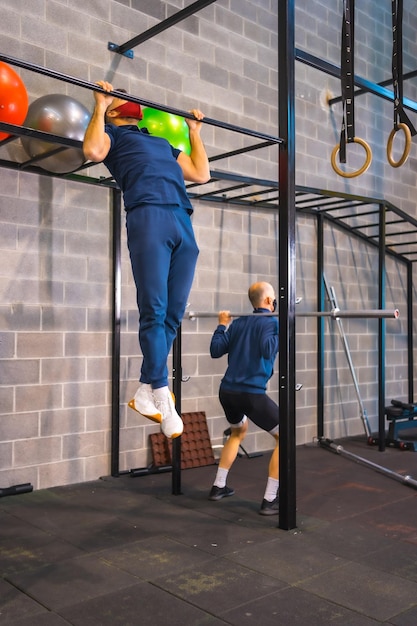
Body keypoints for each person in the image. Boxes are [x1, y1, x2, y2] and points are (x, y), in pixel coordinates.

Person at [83, 81, 210, 439]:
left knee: (173, 313)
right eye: (119, 97)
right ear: (111, 109)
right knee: (154, 309)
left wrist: (194, 132)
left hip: (182, 219)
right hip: (148, 217)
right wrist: (99, 104)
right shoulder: (112, 136)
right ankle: (161, 394)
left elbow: (201, 173)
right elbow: (92, 150)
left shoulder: (160, 142)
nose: (129, 99)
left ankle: (144, 390)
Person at [208, 281, 280, 515]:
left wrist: (222, 325)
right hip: (251, 394)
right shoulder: (271, 322)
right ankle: (270, 500)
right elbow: (268, 350)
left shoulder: (238, 323)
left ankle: (218, 486)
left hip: (228, 393)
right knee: (285, 436)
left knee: (238, 431)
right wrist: (281, 326)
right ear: (269, 301)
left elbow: (216, 349)